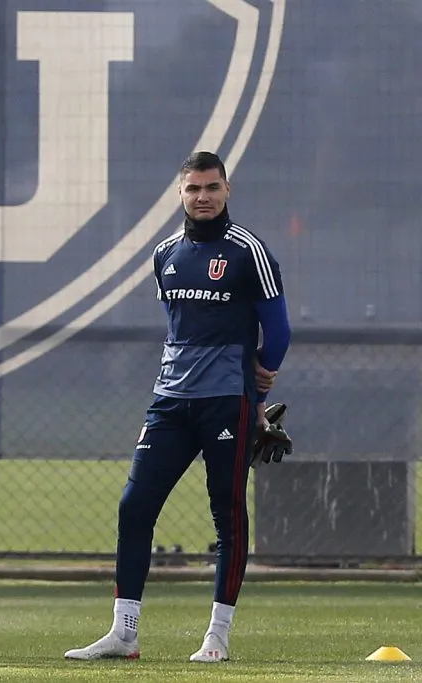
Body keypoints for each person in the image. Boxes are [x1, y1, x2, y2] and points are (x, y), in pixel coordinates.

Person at [64, 151, 292, 663]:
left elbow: (277, 330)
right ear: (180, 194)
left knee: (226, 515)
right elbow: (178, 325)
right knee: (134, 506)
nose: (203, 197)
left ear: (227, 190)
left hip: (224, 403)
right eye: (193, 189)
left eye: (212, 187)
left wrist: (258, 387)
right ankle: (124, 634)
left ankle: (217, 636)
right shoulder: (165, 252)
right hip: (170, 401)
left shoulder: (248, 251)